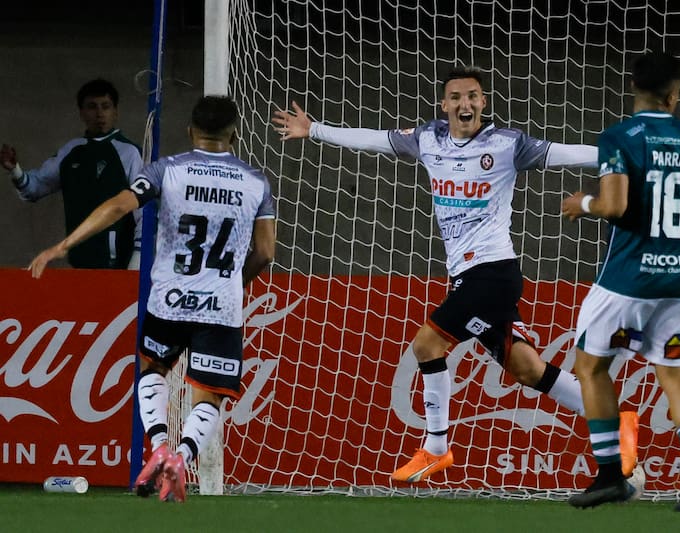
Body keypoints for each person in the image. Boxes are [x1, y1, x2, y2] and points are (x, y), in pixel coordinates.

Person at [272, 67, 638, 484]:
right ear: (444, 105)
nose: (465, 104)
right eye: (456, 97)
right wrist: (315, 129)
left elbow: (563, 152)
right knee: (527, 368)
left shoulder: (507, 144)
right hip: (465, 276)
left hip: (494, 274)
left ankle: (436, 447)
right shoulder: (428, 138)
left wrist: (617, 153)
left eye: (473, 97)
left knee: (427, 346)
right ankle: (616, 416)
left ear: (483, 103)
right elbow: (376, 139)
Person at [29, 95, 277, 503]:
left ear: (189, 131)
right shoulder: (256, 182)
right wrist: (232, 284)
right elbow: (266, 252)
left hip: (169, 300)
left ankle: (159, 445)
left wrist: (63, 245)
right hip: (222, 305)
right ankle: (181, 458)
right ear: (235, 133)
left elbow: (116, 207)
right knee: (209, 394)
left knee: (153, 368)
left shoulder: (168, 170)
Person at [561, 51, 680, 511]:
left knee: (591, 367)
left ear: (635, 89)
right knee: (676, 374)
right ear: (674, 94)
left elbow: (612, 206)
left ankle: (611, 473)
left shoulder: (619, 137)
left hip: (626, 283)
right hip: (678, 283)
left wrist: (583, 205)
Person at [1, 78, 143, 269]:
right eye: (92, 107)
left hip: (120, 264)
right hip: (79, 262)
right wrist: (14, 170)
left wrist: (138, 258)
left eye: (106, 106)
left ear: (116, 111)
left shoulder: (130, 152)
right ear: (82, 113)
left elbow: (145, 208)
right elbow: (34, 188)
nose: (100, 113)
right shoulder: (70, 151)